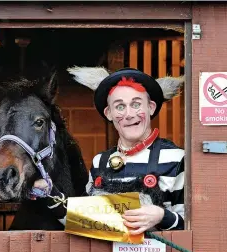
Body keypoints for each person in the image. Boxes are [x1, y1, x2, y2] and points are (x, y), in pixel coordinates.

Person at [32, 67, 185, 234]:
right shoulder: (101, 162)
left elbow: (193, 231)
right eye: (119, 107)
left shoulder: (176, 159)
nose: (128, 114)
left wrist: (162, 216)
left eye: (136, 104)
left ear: (151, 108)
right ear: (109, 113)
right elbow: (84, 221)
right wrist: (49, 192)